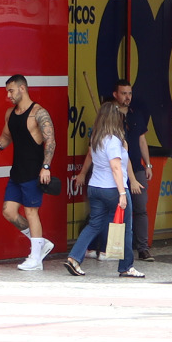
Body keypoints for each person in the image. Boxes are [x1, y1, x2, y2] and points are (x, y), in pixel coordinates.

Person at [64, 101, 143, 279]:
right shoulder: (113, 141)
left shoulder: (96, 138)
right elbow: (116, 167)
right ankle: (126, 267)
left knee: (94, 224)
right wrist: (123, 193)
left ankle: (74, 258)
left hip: (95, 188)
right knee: (126, 228)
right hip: (113, 189)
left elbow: (92, 157)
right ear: (115, 119)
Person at [0, 75, 55, 270]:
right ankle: (40, 243)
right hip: (16, 171)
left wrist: (46, 167)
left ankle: (36, 259)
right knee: (8, 212)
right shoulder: (10, 113)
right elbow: (6, 136)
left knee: (31, 212)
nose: (8, 95)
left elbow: (51, 141)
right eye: (7, 91)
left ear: (22, 88)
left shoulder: (39, 113)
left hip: (34, 171)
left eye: (11, 90)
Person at [114, 81, 155, 261]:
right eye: (123, 93)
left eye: (129, 93)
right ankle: (116, 247)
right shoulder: (110, 116)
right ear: (116, 94)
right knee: (115, 208)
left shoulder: (136, 114)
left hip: (137, 169)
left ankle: (143, 248)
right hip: (115, 170)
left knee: (140, 208)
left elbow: (142, 141)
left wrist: (148, 164)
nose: (127, 97)